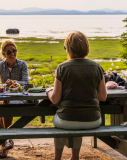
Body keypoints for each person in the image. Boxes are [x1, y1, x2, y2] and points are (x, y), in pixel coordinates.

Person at [46, 31, 107, 160]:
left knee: (64, 119)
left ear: (68, 48)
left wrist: (49, 91)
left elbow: (55, 99)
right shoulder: (97, 67)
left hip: (66, 120)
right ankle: (75, 157)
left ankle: (57, 158)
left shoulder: (62, 68)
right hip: (93, 120)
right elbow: (102, 97)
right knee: (78, 117)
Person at [0, 40, 29, 158]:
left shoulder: (22, 65)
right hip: (1, 98)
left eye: (14, 50)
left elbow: (26, 83)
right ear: (4, 54)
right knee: (4, 103)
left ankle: (4, 143)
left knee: (5, 106)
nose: (12, 53)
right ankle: (7, 140)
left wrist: (14, 82)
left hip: (18, 98)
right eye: (9, 52)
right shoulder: (0, 65)